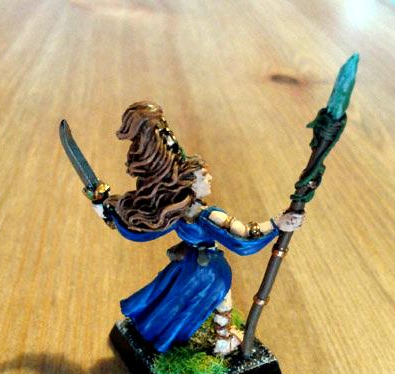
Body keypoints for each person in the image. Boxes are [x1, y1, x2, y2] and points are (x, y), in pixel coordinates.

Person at [92, 101, 303, 356]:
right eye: (204, 176)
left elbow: (121, 223)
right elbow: (245, 233)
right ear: (191, 184)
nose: (210, 178)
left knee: (175, 300)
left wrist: (101, 206)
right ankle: (222, 341)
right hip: (208, 269)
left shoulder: (176, 212)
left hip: (188, 263)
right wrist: (277, 223)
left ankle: (204, 336)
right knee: (221, 298)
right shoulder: (207, 215)